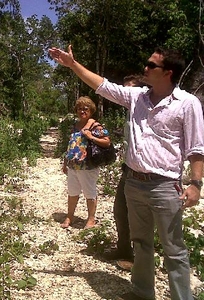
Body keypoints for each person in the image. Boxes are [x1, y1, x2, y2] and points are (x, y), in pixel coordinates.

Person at [49, 45, 204, 300]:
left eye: (151, 65)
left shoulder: (187, 104)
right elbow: (102, 85)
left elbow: (197, 148)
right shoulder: (137, 97)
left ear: (168, 72)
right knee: (141, 244)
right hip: (133, 182)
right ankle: (142, 293)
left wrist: (195, 183)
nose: (145, 68)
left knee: (174, 249)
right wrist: (73, 65)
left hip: (165, 186)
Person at [103, 75, 146, 271]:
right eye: (124, 89)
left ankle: (139, 257)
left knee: (139, 216)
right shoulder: (129, 114)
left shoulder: (146, 114)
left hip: (146, 174)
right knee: (120, 210)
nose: (126, 93)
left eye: (131, 89)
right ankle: (123, 248)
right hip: (128, 169)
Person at [61, 96, 111, 229]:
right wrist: (65, 162)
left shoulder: (96, 125)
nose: (82, 111)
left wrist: (91, 137)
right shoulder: (75, 126)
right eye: (79, 109)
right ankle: (69, 216)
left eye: (85, 108)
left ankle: (91, 219)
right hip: (73, 165)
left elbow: (107, 141)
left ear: (91, 110)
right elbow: (71, 145)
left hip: (88, 166)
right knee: (72, 192)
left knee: (89, 192)